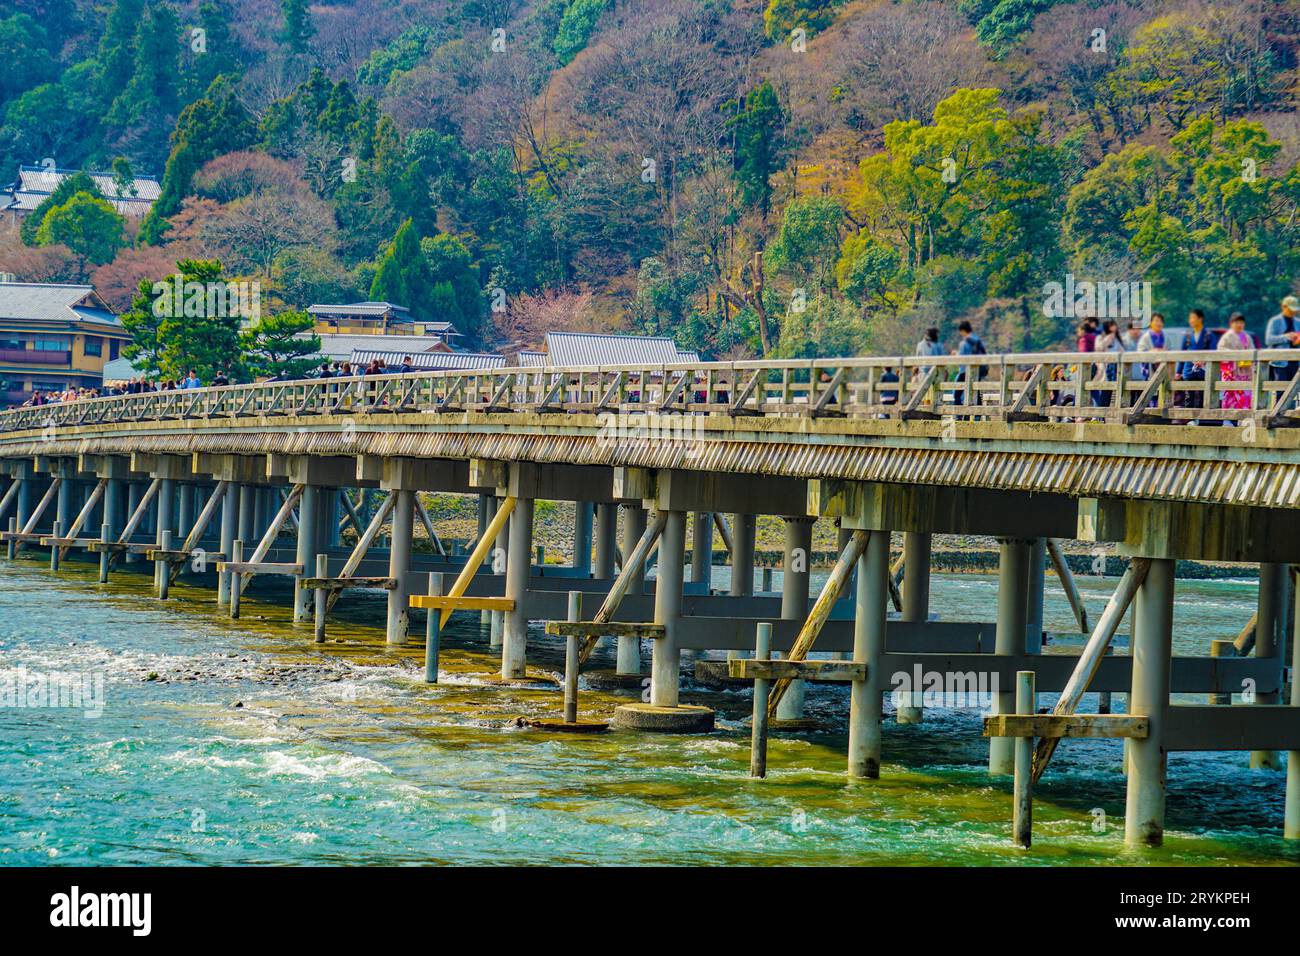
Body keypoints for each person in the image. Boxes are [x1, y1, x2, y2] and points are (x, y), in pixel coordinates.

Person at [1175, 308, 1216, 419]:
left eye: (1193, 318)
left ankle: (1202, 420)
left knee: (1203, 396)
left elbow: (1213, 352)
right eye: (1190, 318)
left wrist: (1204, 360)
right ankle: (1189, 419)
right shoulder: (1187, 335)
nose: (1191, 320)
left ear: (1200, 318)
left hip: (1203, 369)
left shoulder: (1208, 335)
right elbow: (1182, 354)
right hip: (1189, 369)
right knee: (1189, 396)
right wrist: (1178, 371)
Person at [1218, 312, 1254, 421]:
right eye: (1237, 322)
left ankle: (1243, 419)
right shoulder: (1227, 336)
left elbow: (1252, 350)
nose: (1239, 325)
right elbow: (1221, 349)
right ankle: (1227, 420)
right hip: (1231, 371)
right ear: (1231, 323)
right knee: (1229, 395)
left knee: (1246, 395)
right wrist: (1236, 354)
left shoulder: (1246, 336)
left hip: (1245, 370)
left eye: (1241, 322)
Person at [1264, 294, 1300, 382]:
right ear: (1284, 307)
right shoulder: (1275, 321)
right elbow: (1268, 340)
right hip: (1280, 362)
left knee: (1295, 391)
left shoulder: (1298, 322)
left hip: (1295, 361)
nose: (1293, 312)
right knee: (1281, 391)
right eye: (1291, 309)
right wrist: (1286, 337)